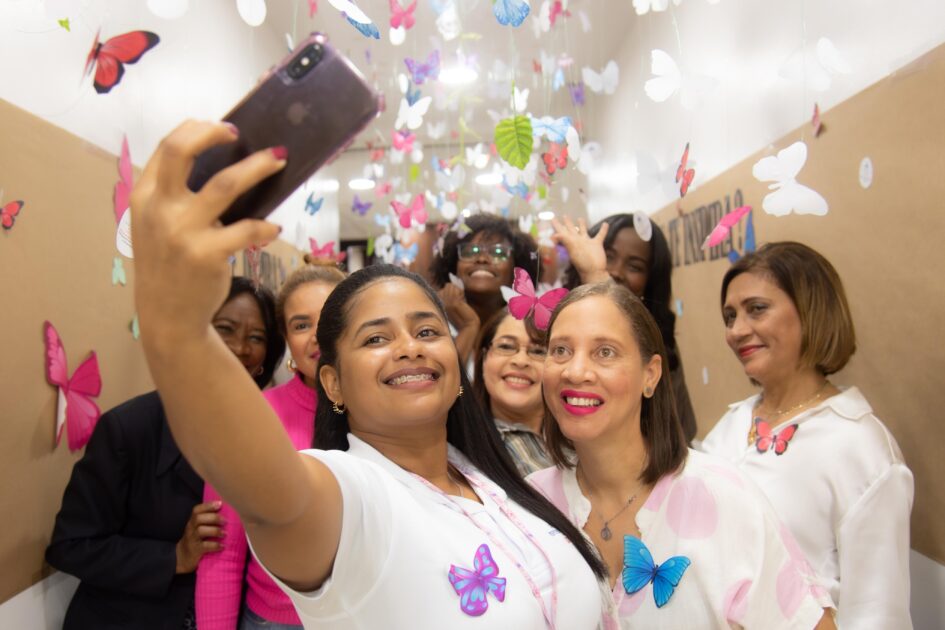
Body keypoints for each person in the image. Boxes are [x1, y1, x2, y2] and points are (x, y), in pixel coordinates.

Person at [129, 120, 607, 629]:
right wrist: (177, 325)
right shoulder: (349, 497)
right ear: (332, 382)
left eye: (427, 331)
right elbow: (269, 491)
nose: (408, 348)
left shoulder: (492, 478)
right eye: (376, 339)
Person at [528, 281, 837, 628]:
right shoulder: (527, 507)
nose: (575, 371)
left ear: (651, 374)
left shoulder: (724, 499)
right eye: (560, 351)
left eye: (605, 352)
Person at [46, 276, 282, 630]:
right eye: (224, 328)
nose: (238, 347)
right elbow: (71, 545)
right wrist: (173, 557)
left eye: (256, 337)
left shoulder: (266, 435)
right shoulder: (129, 428)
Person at [701, 242, 913, 628]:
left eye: (757, 309)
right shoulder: (730, 426)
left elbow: (878, 614)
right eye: (730, 316)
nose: (736, 331)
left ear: (810, 310)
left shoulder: (861, 448)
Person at [197, 265, 345, 630]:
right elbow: (223, 553)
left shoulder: (388, 409)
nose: (317, 336)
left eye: (330, 317)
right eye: (300, 324)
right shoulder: (252, 418)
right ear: (286, 339)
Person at [553, 214, 697, 443]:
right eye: (608, 256)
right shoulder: (552, 325)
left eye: (635, 266)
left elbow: (679, 430)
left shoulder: (659, 342)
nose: (617, 271)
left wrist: (597, 277)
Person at [430, 214, 539, 364]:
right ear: (452, 266)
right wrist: (468, 328)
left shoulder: (533, 327)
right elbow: (445, 386)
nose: (482, 258)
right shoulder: (431, 323)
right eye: (470, 251)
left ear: (517, 268)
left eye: (498, 252)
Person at [473, 310, 552, 476]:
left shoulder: (581, 438)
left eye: (538, 351)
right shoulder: (461, 442)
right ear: (483, 359)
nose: (521, 361)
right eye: (506, 347)